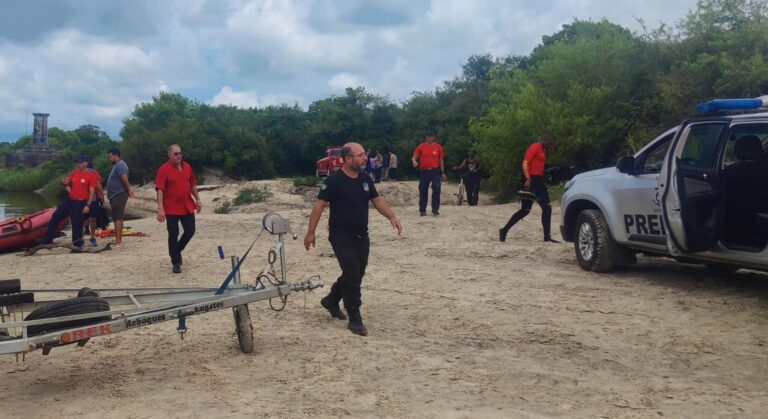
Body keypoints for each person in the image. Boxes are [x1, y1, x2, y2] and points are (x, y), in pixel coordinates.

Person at [304, 142, 402, 336]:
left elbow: (376, 200)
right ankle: (354, 317)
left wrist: (391, 216)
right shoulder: (333, 181)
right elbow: (319, 206)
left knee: (356, 274)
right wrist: (310, 232)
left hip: (361, 235)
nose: (365, 158)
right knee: (352, 272)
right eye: (361, 155)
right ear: (348, 158)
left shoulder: (365, 179)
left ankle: (331, 300)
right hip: (340, 236)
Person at [499, 133, 560, 243]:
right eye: (550, 144)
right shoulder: (535, 146)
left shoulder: (542, 150)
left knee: (543, 208)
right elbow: (525, 163)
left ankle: (546, 236)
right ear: (545, 140)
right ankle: (504, 230)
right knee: (528, 210)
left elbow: (537, 165)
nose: (551, 146)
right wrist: (528, 179)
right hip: (532, 181)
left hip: (538, 181)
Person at [155, 144, 202, 274]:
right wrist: (160, 208)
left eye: (180, 153)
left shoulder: (187, 166)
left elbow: (192, 185)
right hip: (171, 207)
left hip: (187, 205)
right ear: (169, 155)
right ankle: (175, 262)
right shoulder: (163, 170)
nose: (179, 155)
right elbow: (160, 189)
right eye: (175, 154)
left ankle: (177, 250)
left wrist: (198, 200)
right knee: (173, 234)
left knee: (190, 230)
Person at [38, 156, 97, 250]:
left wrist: (88, 205)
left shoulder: (91, 176)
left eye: (80, 162)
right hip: (69, 200)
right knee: (56, 216)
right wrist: (64, 182)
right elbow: (68, 184)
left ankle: (77, 245)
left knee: (76, 224)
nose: (78, 164)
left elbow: (92, 191)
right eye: (77, 162)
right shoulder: (74, 173)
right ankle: (47, 239)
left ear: (86, 163)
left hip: (80, 202)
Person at [412, 131, 446, 216]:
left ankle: (435, 209)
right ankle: (422, 210)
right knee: (423, 189)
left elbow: (441, 160)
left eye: (431, 136)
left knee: (436, 188)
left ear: (434, 137)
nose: (430, 138)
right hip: (424, 171)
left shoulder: (438, 147)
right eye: (428, 136)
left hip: (435, 171)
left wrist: (443, 172)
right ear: (426, 137)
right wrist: (414, 161)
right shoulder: (421, 146)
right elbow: (414, 156)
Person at [106, 147, 135, 247]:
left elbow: (124, 179)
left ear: (115, 156)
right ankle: (118, 239)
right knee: (118, 217)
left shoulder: (120, 165)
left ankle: (118, 241)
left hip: (119, 194)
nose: (109, 159)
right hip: (116, 195)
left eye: (110, 156)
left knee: (117, 217)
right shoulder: (118, 165)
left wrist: (129, 190)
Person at [85, 162, 106, 247]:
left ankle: (90, 236)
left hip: (90, 199)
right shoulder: (93, 173)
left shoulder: (93, 173)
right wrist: (102, 195)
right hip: (88, 199)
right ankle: (91, 237)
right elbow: (98, 185)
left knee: (89, 218)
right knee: (91, 218)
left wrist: (101, 195)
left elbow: (97, 184)